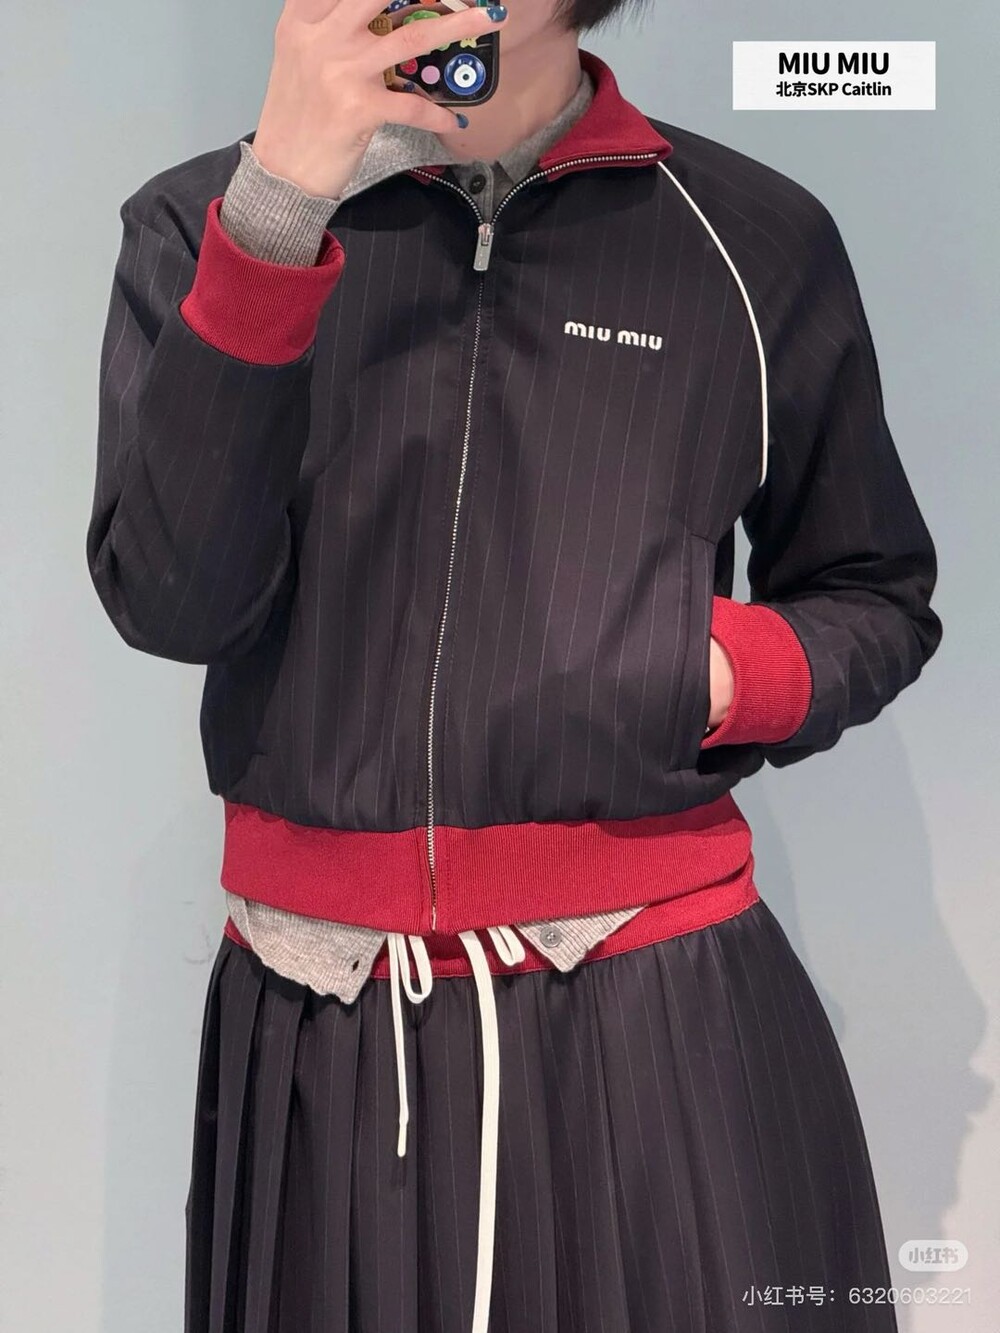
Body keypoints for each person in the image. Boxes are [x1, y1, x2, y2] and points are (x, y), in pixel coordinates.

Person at [86, 0, 943, 1329]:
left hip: (660, 1020)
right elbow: (170, 600)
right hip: (321, 1025)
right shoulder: (202, 227)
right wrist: (280, 213)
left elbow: (874, 590)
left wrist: (719, 673)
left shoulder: (751, 238)